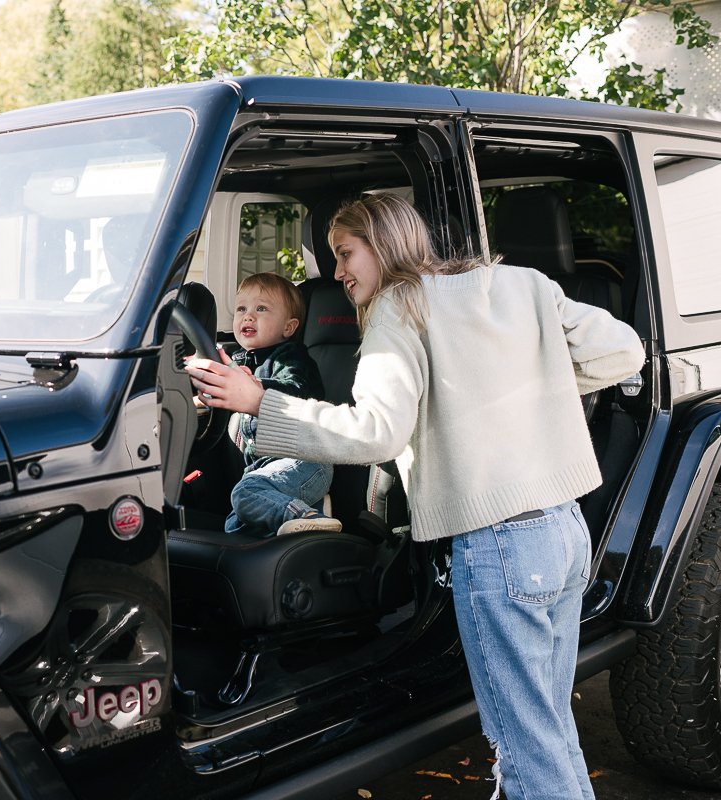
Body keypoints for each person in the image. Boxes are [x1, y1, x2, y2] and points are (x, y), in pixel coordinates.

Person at [187, 193, 644, 800]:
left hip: (500, 548)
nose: (338, 272)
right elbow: (624, 351)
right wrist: (523, 385)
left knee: (529, 748)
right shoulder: (523, 283)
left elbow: (376, 432)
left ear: (386, 243)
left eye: (345, 253)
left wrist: (258, 403)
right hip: (563, 536)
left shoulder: (398, 305)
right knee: (546, 731)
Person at [221, 272, 341, 537]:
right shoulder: (240, 361)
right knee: (234, 524)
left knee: (246, 492)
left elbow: (298, 392)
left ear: (288, 327)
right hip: (265, 468)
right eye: (241, 308)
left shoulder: (291, 357)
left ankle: (311, 520)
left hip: (307, 460)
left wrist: (256, 389)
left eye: (261, 308)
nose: (248, 316)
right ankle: (299, 526)